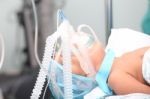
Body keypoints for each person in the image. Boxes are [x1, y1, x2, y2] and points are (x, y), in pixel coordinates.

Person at [56, 41, 150, 95]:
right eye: (71, 59)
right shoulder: (116, 79)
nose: (81, 47)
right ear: (87, 73)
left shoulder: (122, 58)